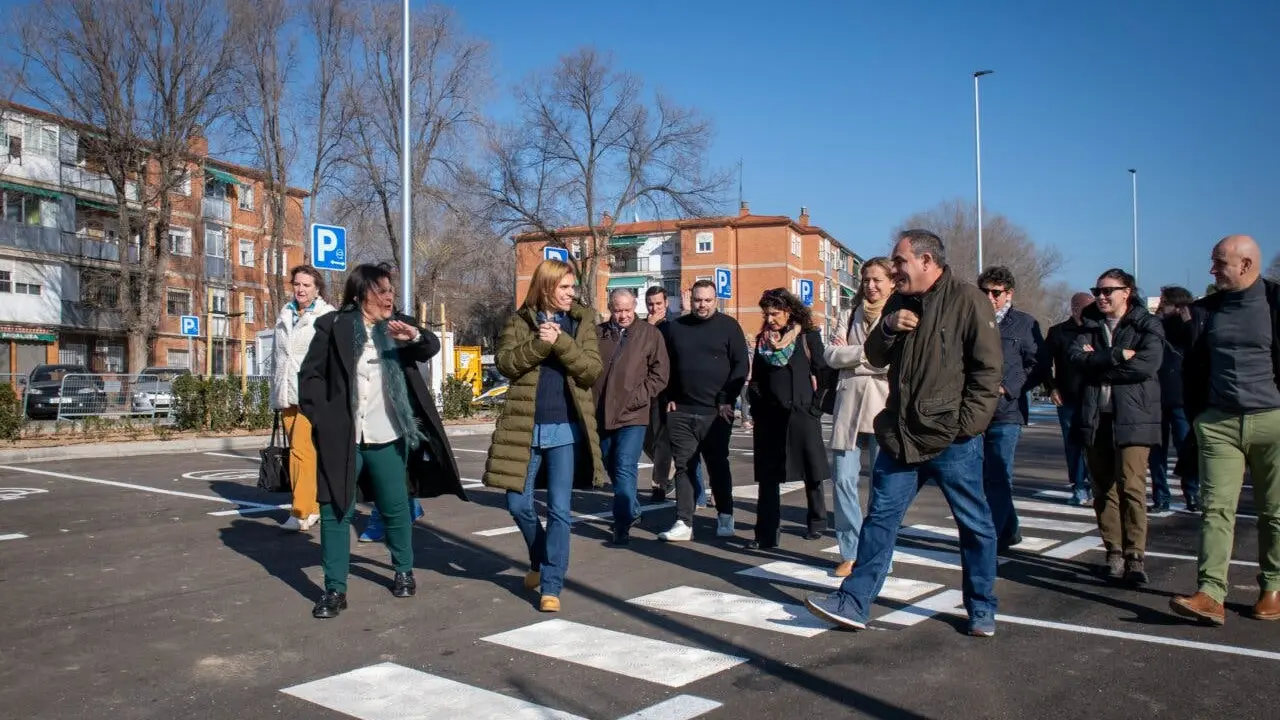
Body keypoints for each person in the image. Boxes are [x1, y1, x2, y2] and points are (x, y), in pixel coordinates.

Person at [804, 229, 1003, 637]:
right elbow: (875, 355)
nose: (894, 270)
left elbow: (987, 373)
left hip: (954, 439)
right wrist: (889, 327)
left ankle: (981, 606)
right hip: (900, 434)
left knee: (975, 525)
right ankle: (853, 602)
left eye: (900, 262)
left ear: (927, 262)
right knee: (880, 520)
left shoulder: (968, 301)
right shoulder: (897, 302)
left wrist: (968, 426)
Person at [298, 264, 469, 619]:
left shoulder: (398, 326)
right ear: (361, 295)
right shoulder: (333, 326)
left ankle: (403, 570)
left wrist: (415, 337)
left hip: (388, 435)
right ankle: (334, 589)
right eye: (381, 291)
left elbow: (430, 346)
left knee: (395, 507)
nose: (389, 296)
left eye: (391, 290)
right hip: (343, 438)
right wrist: (325, 420)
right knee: (335, 511)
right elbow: (310, 377)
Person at [482, 259, 604, 613]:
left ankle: (551, 585)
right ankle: (540, 559)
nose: (571, 294)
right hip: (524, 426)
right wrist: (539, 344)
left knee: (560, 511)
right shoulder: (519, 321)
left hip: (565, 428)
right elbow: (505, 364)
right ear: (547, 286)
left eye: (573, 287)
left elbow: (591, 371)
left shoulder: (582, 323)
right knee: (517, 503)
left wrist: (561, 341)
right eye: (564, 287)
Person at [1171, 235, 1280, 625]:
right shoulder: (1204, 311)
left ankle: (1273, 589)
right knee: (1215, 509)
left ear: (1247, 265)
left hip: (1273, 420)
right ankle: (1211, 593)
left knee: (1274, 512)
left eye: (1219, 263)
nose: (1211, 270)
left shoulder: (1274, 302)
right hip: (1218, 423)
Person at [1069, 268, 1163, 586]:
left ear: (1128, 292)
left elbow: (1146, 366)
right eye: (1097, 290)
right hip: (1096, 416)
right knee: (1102, 488)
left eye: (1109, 290)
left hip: (1134, 418)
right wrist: (1117, 356)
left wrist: (1100, 365)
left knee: (1132, 487)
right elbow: (1075, 359)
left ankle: (1136, 556)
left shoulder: (1146, 324)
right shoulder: (1090, 325)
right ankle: (1114, 552)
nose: (1101, 296)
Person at [657, 279, 749, 542]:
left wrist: (726, 399)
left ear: (715, 300)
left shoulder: (729, 327)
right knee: (685, 466)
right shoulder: (676, 328)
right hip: (682, 410)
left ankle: (725, 515)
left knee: (718, 465)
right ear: (691, 299)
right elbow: (665, 364)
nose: (702, 305)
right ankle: (684, 521)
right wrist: (669, 396)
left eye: (708, 300)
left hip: (717, 412)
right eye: (698, 300)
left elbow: (740, 365)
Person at [824, 257, 893, 577]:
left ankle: (879, 553)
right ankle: (849, 551)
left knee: (884, 487)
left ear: (892, 282)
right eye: (866, 279)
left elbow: (896, 362)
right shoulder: (847, 313)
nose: (871, 285)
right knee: (842, 481)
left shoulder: (900, 316)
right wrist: (869, 355)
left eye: (878, 279)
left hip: (884, 408)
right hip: (848, 406)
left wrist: (852, 356)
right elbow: (830, 356)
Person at [747, 288, 830, 549]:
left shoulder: (807, 337)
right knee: (768, 477)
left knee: (811, 471)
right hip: (770, 418)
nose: (770, 318)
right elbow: (757, 379)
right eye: (766, 313)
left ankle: (817, 522)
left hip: (802, 414)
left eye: (775, 313)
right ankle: (766, 535)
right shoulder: (763, 340)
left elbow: (824, 372)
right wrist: (757, 405)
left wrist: (816, 407)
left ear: (789, 312)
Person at [977, 266, 1045, 551]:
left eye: (996, 293)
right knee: (982, 475)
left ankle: (992, 537)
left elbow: (1037, 365)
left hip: (1007, 411)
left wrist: (1008, 387)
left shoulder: (1024, 324)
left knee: (999, 473)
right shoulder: (974, 320)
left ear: (1009, 293)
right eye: (985, 292)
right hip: (976, 410)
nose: (990, 298)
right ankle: (1010, 528)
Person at [594, 289, 669, 545]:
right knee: (610, 464)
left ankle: (622, 523)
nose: (623, 315)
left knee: (625, 464)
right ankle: (633, 509)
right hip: (602, 413)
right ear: (610, 308)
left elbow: (660, 375)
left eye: (627, 309)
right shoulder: (599, 333)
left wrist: (638, 398)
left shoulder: (650, 334)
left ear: (634, 306)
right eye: (617, 310)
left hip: (633, 415)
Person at [270, 265, 336, 531]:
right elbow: (278, 358)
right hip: (286, 392)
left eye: (306, 285)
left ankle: (300, 512)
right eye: (297, 284)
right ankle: (314, 507)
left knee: (302, 451)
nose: (300, 289)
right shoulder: (285, 313)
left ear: (317, 288)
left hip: (312, 394)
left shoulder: (327, 315)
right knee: (301, 454)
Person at [643, 286, 706, 505]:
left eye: (658, 303)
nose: (654, 308)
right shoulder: (643, 326)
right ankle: (667, 474)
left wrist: (687, 310)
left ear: (666, 303)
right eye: (650, 304)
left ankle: (660, 485)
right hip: (647, 390)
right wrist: (648, 327)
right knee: (647, 439)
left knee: (664, 441)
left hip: (670, 391)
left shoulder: (673, 325)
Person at [1149, 285, 1200, 513]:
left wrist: (1188, 322)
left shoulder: (1189, 327)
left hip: (1181, 396)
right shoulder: (1154, 327)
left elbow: (1197, 349)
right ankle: (1161, 496)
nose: (1160, 305)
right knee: (1156, 451)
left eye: (1165, 301)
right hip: (1155, 396)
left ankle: (1192, 493)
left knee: (1186, 447)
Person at [1043, 293, 1096, 506]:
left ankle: (1095, 485)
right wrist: (1051, 387)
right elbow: (1043, 363)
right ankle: (1079, 486)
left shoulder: (1097, 330)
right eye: (1084, 308)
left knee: (1093, 443)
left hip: (1094, 396)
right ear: (1074, 308)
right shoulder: (1058, 332)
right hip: (1068, 395)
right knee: (1073, 443)